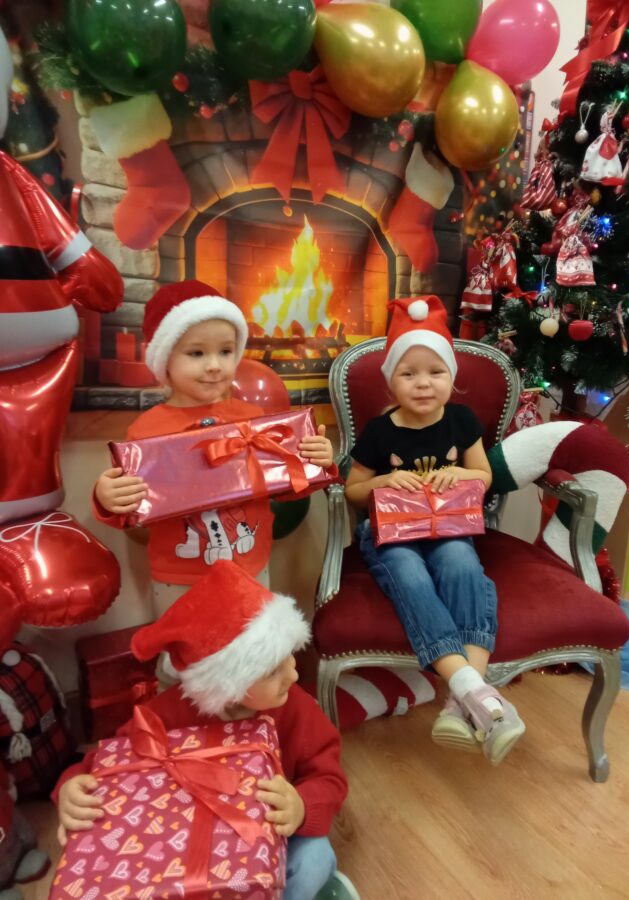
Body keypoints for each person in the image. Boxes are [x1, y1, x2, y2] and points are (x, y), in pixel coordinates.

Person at [53, 561, 359, 900]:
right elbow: (112, 761)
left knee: (315, 858)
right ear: (228, 684)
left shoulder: (296, 707)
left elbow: (329, 778)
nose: (294, 675)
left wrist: (301, 806)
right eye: (273, 671)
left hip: (276, 833)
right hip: (188, 845)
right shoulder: (165, 714)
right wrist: (71, 786)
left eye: (290, 657)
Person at [92, 280, 335, 681]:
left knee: (252, 657)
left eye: (225, 351)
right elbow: (131, 512)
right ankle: (180, 718)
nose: (214, 365)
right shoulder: (146, 430)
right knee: (183, 665)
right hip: (179, 579)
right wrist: (107, 497)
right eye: (196, 353)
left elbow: (288, 486)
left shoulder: (254, 419)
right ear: (165, 361)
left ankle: (251, 720)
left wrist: (315, 463)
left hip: (250, 567)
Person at [344, 296, 525, 766]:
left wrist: (462, 474)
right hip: (391, 534)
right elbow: (352, 490)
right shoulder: (379, 431)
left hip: (448, 527)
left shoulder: (461, 421)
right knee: (409, 575)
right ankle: (475, 691)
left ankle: (461, 703)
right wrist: (382, 482)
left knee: (462, 564)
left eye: (435, 372)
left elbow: (483, 476)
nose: (423, 383)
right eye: (408, 374)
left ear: (451, 377)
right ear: (391, 381)